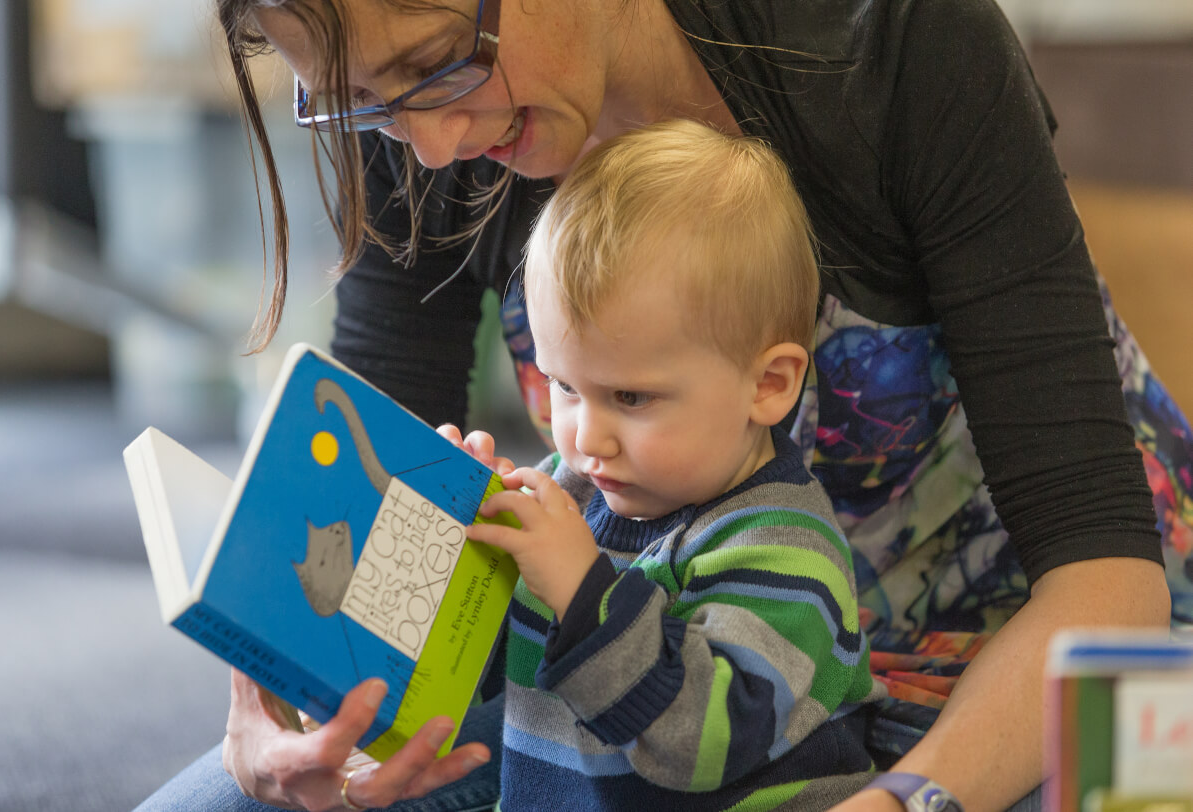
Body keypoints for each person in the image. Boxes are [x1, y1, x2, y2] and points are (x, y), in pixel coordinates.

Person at [141, 0, 1190, 809]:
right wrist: (278, 700)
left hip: (1019, 653)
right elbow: (371, 520)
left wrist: (894, 800)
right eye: (364, 98)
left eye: (430, 65)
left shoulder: (897, 42)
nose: (426, 145)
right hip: (646, 679)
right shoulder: (423, 111)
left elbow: (1104, 580)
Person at [450, 117, 883, 810]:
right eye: (564, 386)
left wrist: (580, 592)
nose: (587, 437)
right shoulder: (575, 487)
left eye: (630, 396)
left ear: (768, 385)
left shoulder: (787, 554)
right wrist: (456, 545)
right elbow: (476, 667)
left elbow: (699, 744)